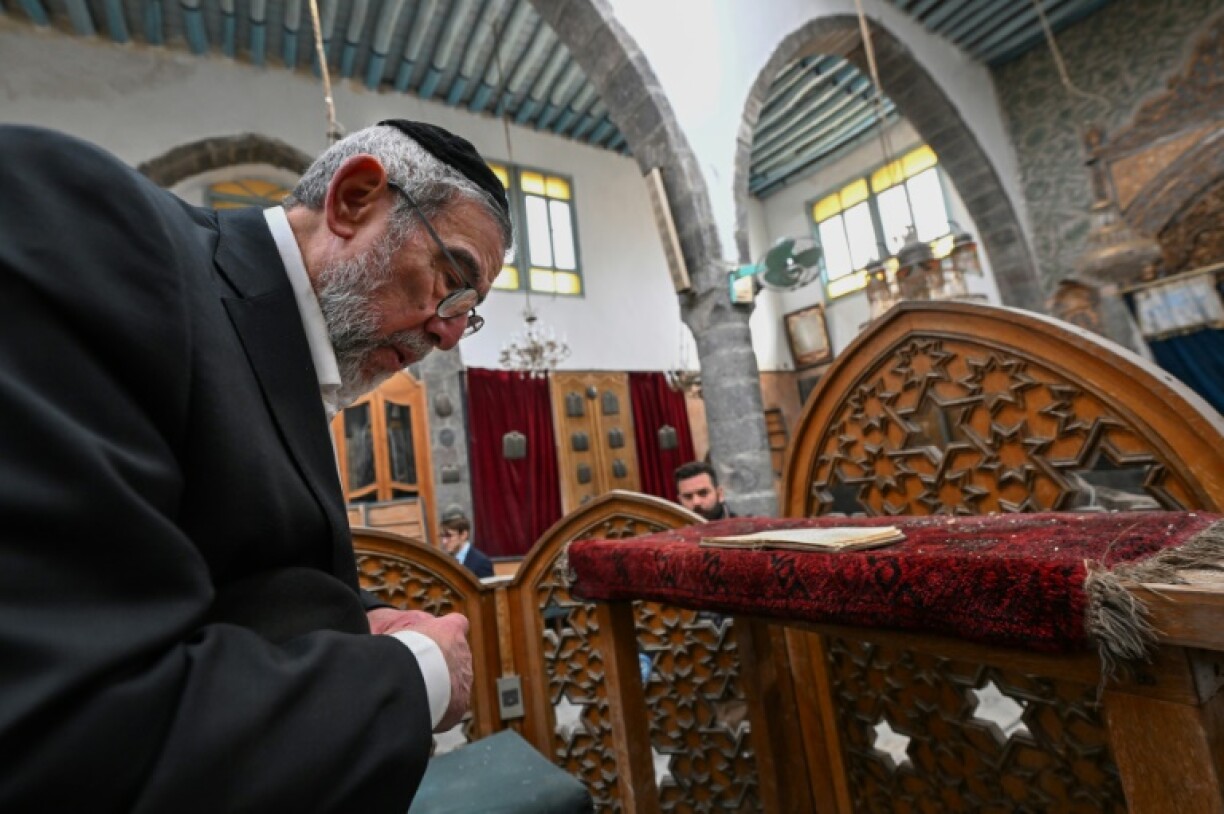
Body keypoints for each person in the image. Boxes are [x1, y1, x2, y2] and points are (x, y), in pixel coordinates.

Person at [0, 119, 512, 811]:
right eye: (451, 279)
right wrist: (420, 672)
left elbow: (221, 570)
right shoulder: (100, 227)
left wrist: (358, 622)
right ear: (354, 199)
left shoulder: (278, 354)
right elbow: (77, 728)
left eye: (467, 312)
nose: (448, 333)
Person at [438, 511, 495, 579]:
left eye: (449, 536)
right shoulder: (445, 561)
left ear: (464, 535)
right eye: (442, 536)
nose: (444, 541)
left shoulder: (481, 563)